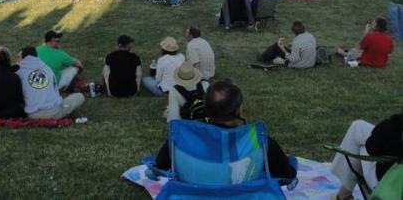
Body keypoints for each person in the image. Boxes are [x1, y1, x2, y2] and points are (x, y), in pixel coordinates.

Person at [154, 80, 297, 183]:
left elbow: (160, 166)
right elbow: (286, 176)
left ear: (206, 109)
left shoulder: (181, 139)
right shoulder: (261, 143)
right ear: (238, 110)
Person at [331, 111, 403, 200]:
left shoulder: (395, 126)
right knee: (358, 127)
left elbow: (371, 147)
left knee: (359, 143)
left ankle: (343, 195)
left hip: (391, 187)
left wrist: (397, 119)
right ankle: (344, 195)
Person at [16, 46, 84, 119]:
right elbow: (55, 91)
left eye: (18, 57)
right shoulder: (47, 69)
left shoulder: (18, 72)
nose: (16, 60)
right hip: (55, 112)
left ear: (25, 59)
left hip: (32, 115)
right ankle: (64, 113)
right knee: (79, 96)